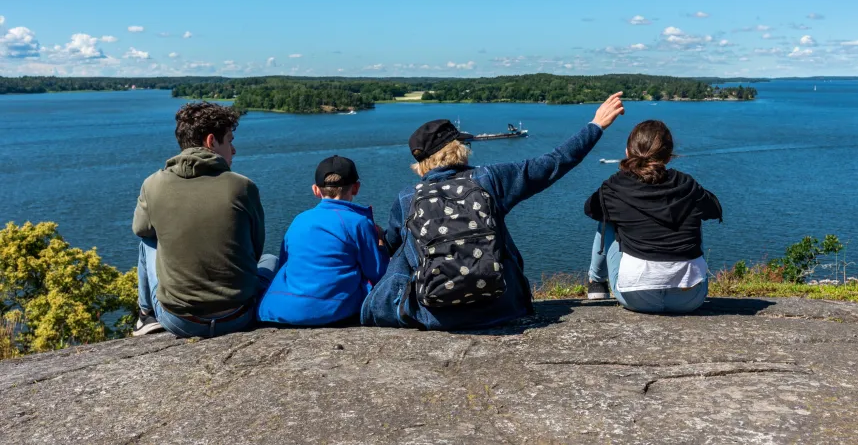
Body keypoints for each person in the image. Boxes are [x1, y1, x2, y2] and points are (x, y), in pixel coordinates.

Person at [361, 92, 625, 330]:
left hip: (436, 315)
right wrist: (596, 125)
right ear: (459, 149)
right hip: (503, 307)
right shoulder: (490, 179)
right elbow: (554, 162)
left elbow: (393, 248)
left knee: (400, 250)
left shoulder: (408, 197)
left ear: (421, 163)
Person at [132, 102, 277, 338]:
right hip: (238, 316)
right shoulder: (242, 186)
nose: (234, 149)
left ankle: (146, 314)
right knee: (271, 259)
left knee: (148, 241)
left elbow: (141, 229)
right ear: (211, 142)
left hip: (180, 321)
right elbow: (255, 249)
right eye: (229, 140)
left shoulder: (153, 184)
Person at [584, 120, 722, 313]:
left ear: (627, 152)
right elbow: (714, 210)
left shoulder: (614, 188)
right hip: (690, 297)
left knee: (606, 218)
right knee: (693, 212)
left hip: (635, 297)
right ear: (669, 157)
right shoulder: (687, 185)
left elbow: (590, 209)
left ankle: (596, 283)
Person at [257, 155, 389, 327]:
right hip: (331, 311)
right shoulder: (359, 222)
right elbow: (377, 273)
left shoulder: (299, 219)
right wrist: (380, 244)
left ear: (316, 190)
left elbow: (285, 264)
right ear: (356, 188)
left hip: (281, 310)